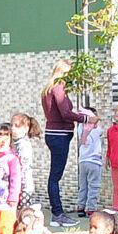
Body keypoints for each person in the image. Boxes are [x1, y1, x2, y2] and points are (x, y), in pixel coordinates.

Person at [41, 60, 79, 222]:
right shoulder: (58, 88)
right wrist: (85, 118)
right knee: (55, 176)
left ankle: (58, 213)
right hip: (60, 135)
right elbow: (65, 113)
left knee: (54, 175)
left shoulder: (48, 89)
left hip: (55, 134)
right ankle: (58, 214)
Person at [74, 107, 106, 217]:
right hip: (94, 161)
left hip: (82, 161)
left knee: (83, 185)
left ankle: (81, 207)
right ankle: (91, 209)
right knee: (94, 186)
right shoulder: (96, 129)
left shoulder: (80, 127)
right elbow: (100, 131)